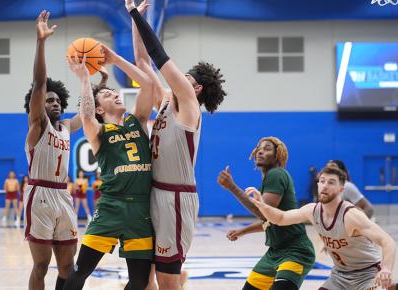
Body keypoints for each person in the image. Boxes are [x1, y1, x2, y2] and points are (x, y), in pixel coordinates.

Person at [127, 1, 226, 289]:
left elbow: (158, 56)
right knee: (144, 277)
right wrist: (136, 19)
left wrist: (134, 13)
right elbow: (143, 61)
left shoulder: (189, 105)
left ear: (195, 89)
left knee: (167, 280)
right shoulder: (167, 102)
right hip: (154, 193)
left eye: (184, 77)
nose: (177, 78)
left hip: (176, 200)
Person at [64, 35, 155, 290]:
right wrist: (84, 79)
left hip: (140, 209)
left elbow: (148, 85)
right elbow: (85, 114)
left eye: (114, 92)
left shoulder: (137, 121)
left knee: (138, 281)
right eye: (106, 95)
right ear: (100, 110)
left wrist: (115, 59)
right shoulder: (98, 132)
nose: (114, 94)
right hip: (111, 207)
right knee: (80, 272)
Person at [248, 166, 397, 290]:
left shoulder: (350, 215)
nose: (325, 185)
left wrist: (386, 269)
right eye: (322, 181)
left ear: (341, 189)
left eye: (331, 182)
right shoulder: (312, 210)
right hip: (340, 276)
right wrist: (263, 205)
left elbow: (387, 241)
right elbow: (280, 219)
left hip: (367, 274)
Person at [22, 10, 82, 290]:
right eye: (49, 100)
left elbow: (89, 113)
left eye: (58, 100)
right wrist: (41, 42)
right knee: (41, 265)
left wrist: (95, 80)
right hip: (40, 195)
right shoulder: (37, 125)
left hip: (62, 194)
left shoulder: (67, 127)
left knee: (69, 266)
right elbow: (39, 82)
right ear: (38, 105)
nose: (54, 103)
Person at [217, 137, 315, 290]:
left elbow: (265, 214)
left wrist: (232, 187)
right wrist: (242, 231)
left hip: (295, 251)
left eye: (267, 148)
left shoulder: (276, 174)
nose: (260, 151)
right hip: (274, 252)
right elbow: (270, 221)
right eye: (259, 148)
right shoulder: (270, 178)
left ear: (277, 156)